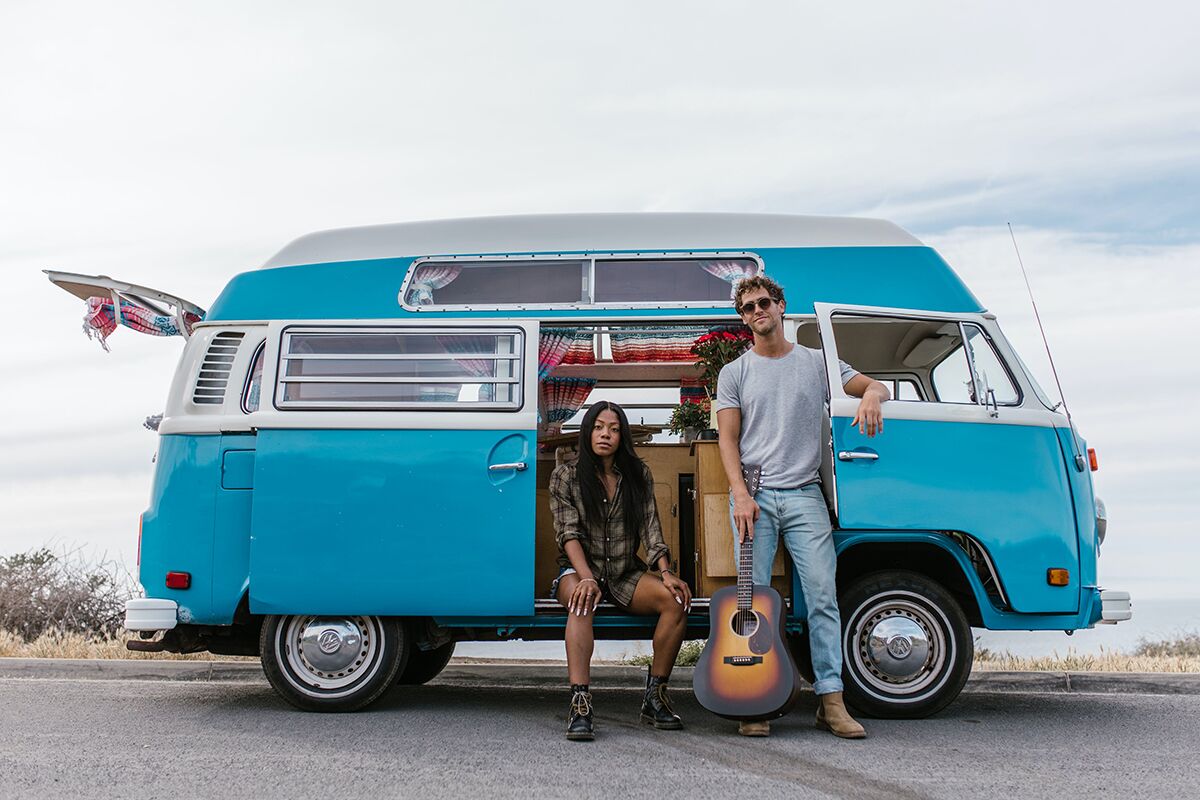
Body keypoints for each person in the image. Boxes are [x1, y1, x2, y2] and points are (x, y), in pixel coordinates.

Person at [715, 275, 889, 739]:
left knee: (822, 597)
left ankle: (830, 701)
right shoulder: (734, 373)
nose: (757, 311)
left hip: (805, 494)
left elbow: (875, 386)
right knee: (752, 600)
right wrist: (741, 495)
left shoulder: (817, 363)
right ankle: (754, 697)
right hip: (755, 493)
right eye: (748, 307)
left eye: (764, 303)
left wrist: (872, 394)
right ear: (743, 318)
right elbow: (727, 441)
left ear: (781, 306)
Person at [548, 401, 693, 741]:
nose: (605, 435)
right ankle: (580, 702)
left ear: (622, 435)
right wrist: (585, 577)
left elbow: (650, 526)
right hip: (577, 570)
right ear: (587, 432)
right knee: (581, 602)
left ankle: (655, 696)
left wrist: (666, 571)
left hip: (625, 572)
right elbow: (567, 534)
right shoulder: (565, 475)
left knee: (675, 601)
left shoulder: (637, 474)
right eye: (599, 427)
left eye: (613, 429)